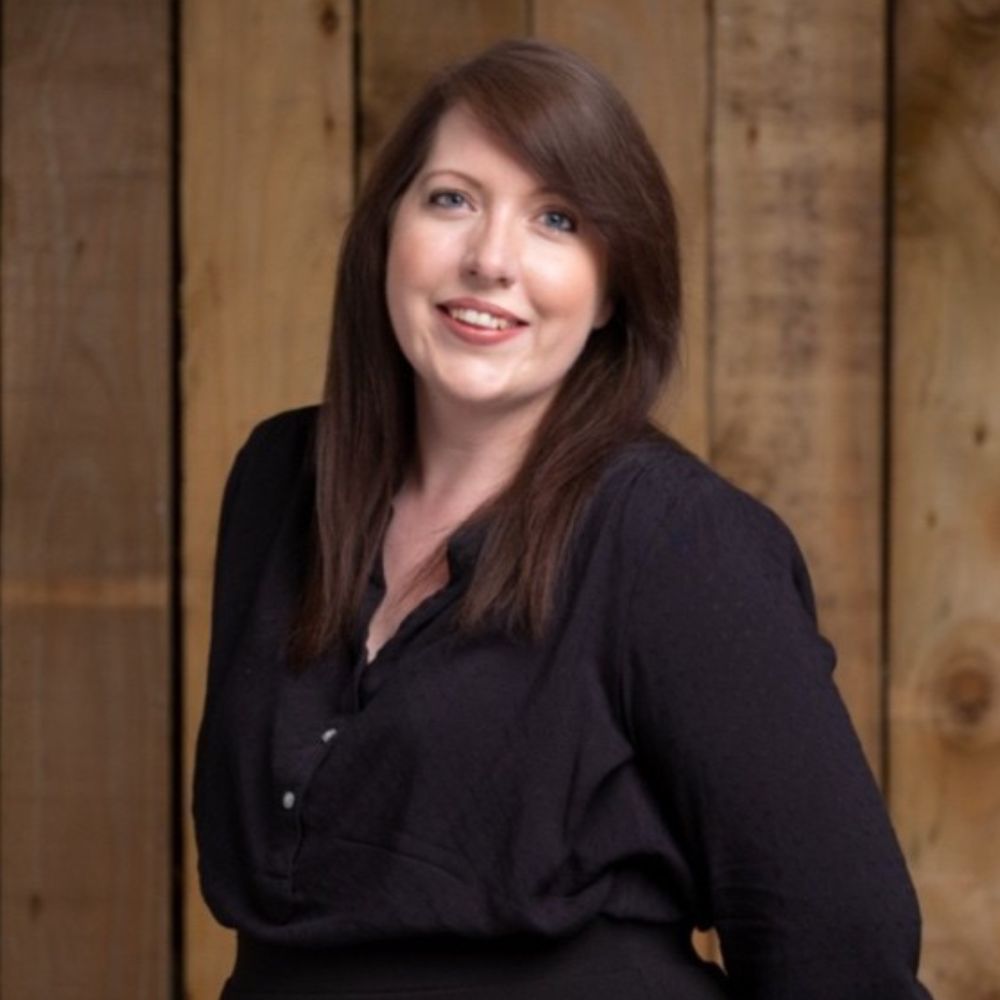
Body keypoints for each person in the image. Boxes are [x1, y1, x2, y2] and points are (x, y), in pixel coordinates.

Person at [193, 38, 934, 1000]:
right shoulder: (276, 483)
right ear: (388, 232)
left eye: (556, 219)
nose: (491, 259)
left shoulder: (678, 544)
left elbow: (844, 950)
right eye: (452, 198)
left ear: (614, 287)